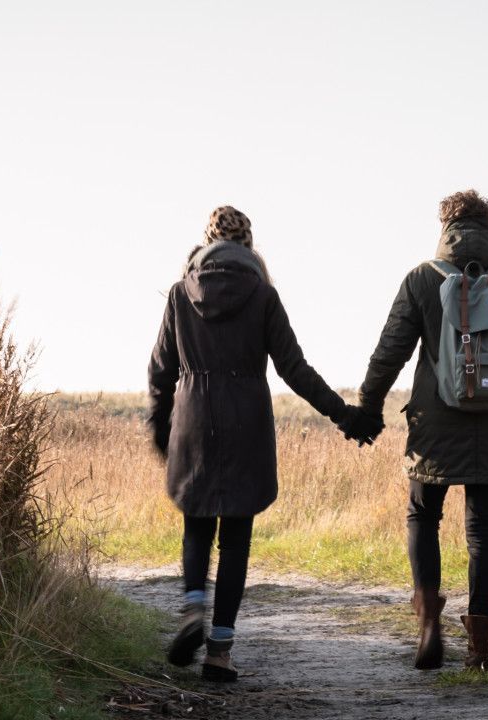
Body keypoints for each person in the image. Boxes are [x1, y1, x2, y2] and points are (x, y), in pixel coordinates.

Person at [147, 205, 358, 682]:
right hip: (247, 421)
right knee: (236, 535)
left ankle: (192, 607)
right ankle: (219, 652)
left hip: (193, 421)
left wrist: (161, 428)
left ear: (204, 244)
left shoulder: (181, 295)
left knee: (197, 523)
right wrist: (342, 414)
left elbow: (160, 369)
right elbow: (295, 369)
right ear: (249, 246)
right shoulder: (263, 295)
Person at [341, 190, 488, 671]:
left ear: (444, 229)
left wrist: (368, 408)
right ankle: (478, 648)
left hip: (434, 422)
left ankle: (429, 627)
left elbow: (389, 352)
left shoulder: (421, 280)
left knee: (422, 515)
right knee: (482, 530)